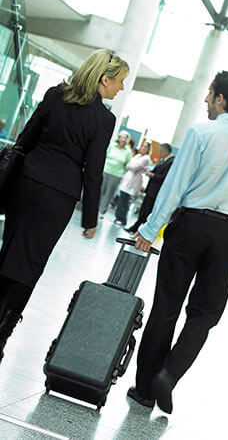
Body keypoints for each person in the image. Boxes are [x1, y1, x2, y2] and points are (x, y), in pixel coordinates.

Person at [128, 71, 228, 414]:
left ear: (221, 99)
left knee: (166, 306)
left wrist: (150, 229)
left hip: (189, 226)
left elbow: (175, 186)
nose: (206, 100)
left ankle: (146, 389)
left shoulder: (200, 133)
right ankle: (170, 373)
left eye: (209, 94)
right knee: (206, 314)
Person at [0, 49, 129, 361]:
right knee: (31, 263)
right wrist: (90, 218)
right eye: (120, 81)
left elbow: (26, 138)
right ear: (105, 79)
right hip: (58, 197)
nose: (121, 87)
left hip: (27, 183)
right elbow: (93, 170)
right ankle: (2, 333)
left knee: (9, 252)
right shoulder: (104, 119)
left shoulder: (56, 95)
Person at [124, 143, 175, 234]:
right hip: (151, 190)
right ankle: (136, 227)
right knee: (143, 210)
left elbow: (165, 178)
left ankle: (141, 230)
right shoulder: (164, 160)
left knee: (147, 212)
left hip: (156, 191)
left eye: (161, 151)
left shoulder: (170, 162)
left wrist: (152, 175)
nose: (160, 153)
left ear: (166, 151)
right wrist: (150, 172)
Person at [114, 142, 150, 226]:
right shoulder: (137, 156)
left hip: (133, 182)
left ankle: (122, 219)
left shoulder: (146, 158)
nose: (143, 148)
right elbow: (129, 164)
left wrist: (129, 166)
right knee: (121, 198)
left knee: (125, 200)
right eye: (143, 146)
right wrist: (130, 165)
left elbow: (135, 167)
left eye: (145, 147)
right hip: (127, 179)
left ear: (148, 149)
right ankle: (118, 217)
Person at [98, 130, 131, 219]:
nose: (123, 140)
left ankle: (102, 211)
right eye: (122, 137)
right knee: (99, 191)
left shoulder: (128, 152)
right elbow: (105, 156)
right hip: (105, 171)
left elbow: (127, 165)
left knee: (109, 194)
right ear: (119, 138)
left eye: (125, 138)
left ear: (127, 140)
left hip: (116, 175)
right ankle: (94, 208)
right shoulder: (112, 146)